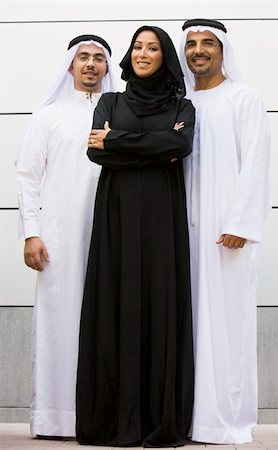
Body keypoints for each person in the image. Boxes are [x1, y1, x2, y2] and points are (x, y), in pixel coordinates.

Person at [76, 25, 195, 447]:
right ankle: (114, 419)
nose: (143, 54)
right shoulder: (110, 101)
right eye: (137, 47)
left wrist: (118, 142)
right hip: (117, 215)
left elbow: (180, 148)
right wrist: (152, 148)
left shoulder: (183, 105)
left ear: (165, 57)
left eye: (153, 48)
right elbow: (95, 151)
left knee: (157, 300)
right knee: (116, 298)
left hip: (162, 218)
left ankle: (155, 419)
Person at [15, 34, 117, 438]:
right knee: (60, 323)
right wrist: (31, 233)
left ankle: (105, 417)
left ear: (108, 67)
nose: (90, 64)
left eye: (98, 58)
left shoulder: (120, 114)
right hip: (57, 238)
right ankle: (56, 418)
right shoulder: (49, 115)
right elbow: (27, 176)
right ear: (71, 66)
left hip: (111, 234)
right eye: (83, 58)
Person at [179, 19, 271, 445]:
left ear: (222, 50)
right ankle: (190, 418)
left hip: (228, 234)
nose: (199, 50)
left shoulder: (243, 98)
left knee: (227, 326)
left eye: (208, 43)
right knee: (190, 324)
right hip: (186, 232)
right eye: (192, 44)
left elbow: (256, 162)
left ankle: (226, 421)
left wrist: (240, 224)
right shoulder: (181, 104)